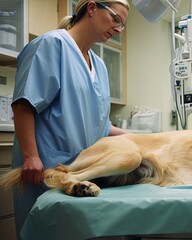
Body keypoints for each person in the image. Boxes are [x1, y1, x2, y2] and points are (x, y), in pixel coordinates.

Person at [11, 0, 130, 238]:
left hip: (85, 174)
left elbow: (101, 124)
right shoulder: (51, 45)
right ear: (92, 8)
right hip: (47, 171)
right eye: (116, 19)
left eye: (122, 25)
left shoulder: (99, 65)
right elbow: (24, 104)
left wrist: (149, 139)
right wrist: (31, 156)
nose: (118, 29)